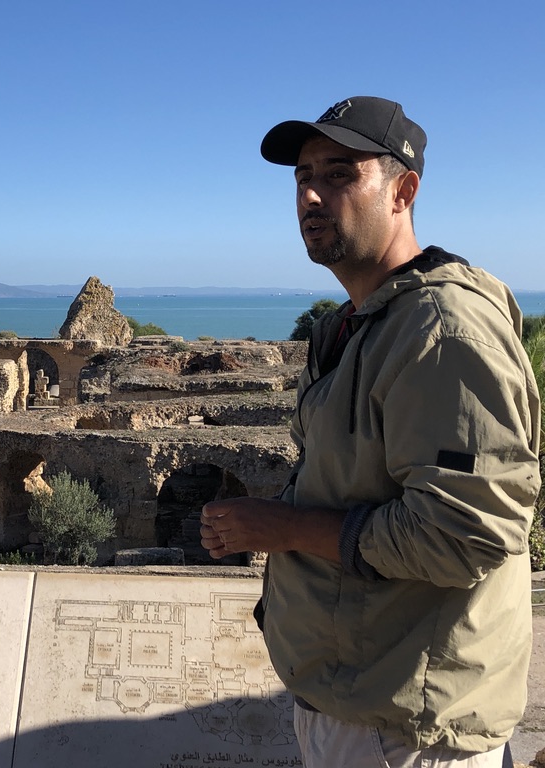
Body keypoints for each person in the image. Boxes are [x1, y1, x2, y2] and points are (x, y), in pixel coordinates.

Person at [200, 96, 540, 767]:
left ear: (403, 191)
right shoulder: (354, 326)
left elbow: (464, 534)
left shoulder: (442, 333)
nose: (311, 195)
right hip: (356, 702)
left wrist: (284, 528)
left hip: (407, 731)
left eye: (339, 174)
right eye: (303, 177)